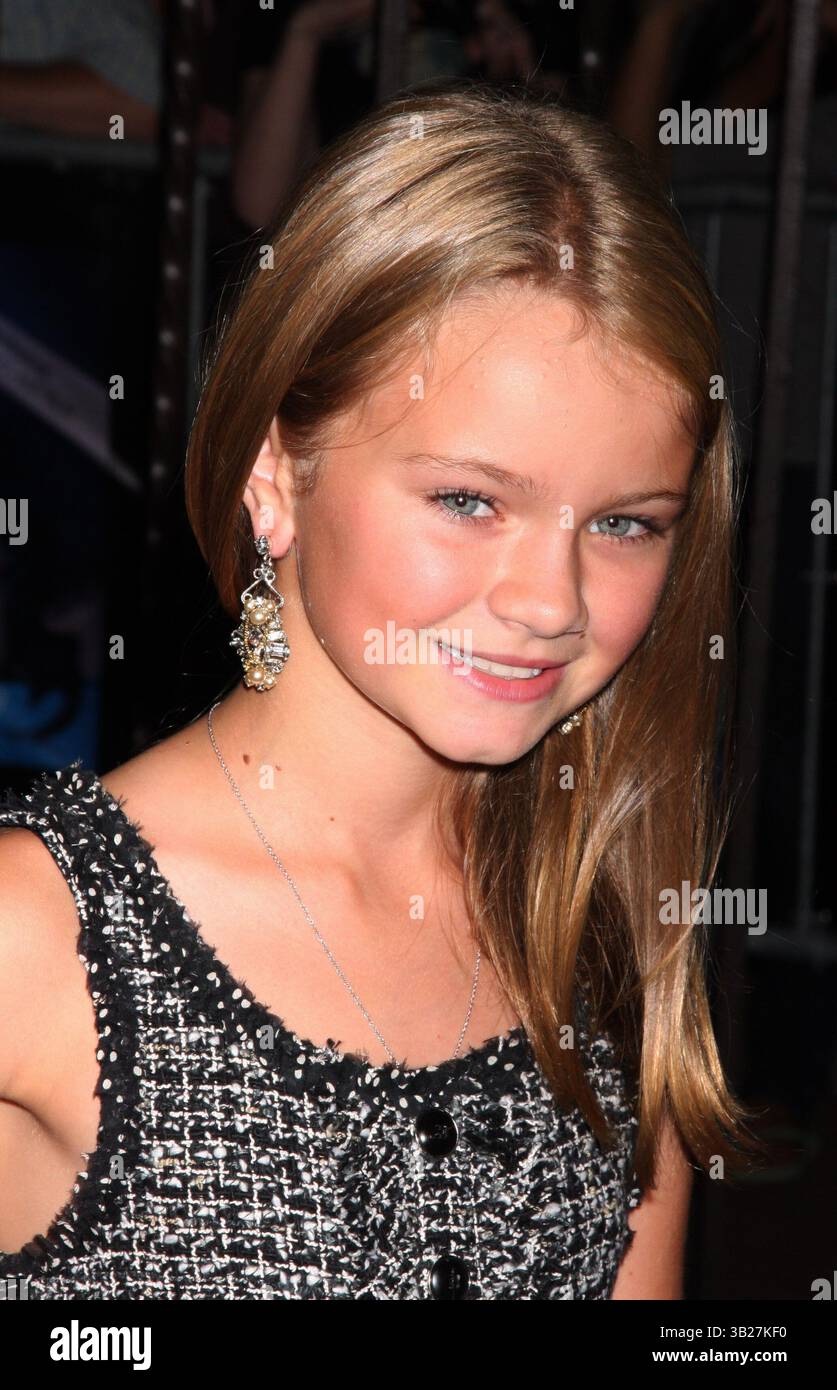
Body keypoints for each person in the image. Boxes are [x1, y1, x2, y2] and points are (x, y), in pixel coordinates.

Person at [0, 81, 765, 1300]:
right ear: (275, 471)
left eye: (625, 522)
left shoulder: (595, 929)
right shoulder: (39, 932)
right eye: (469, 500)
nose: (550, 599)